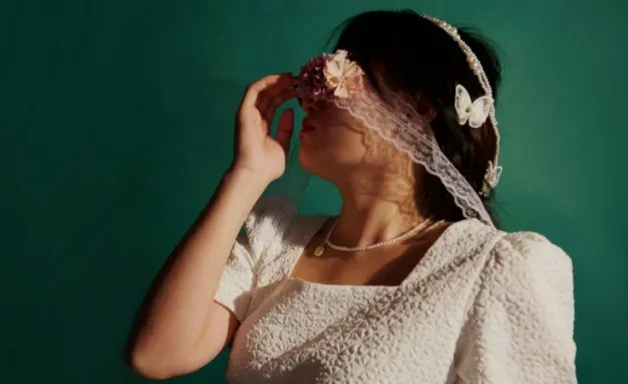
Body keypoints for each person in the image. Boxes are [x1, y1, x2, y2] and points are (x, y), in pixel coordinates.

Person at [128, 9, 577, 384]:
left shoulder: (497, 266)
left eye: (332, 78)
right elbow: (158, 355)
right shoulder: (273, 243)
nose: (308, 99)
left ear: (416, 107)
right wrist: (246, 175)